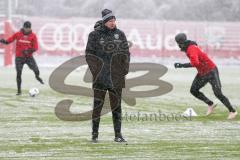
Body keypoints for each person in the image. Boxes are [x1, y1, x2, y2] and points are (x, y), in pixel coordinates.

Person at [85, 9, 130, 143]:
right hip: (100, 78)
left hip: (116, 77)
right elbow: (89, 55)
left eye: (114, 20)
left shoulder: (120, 34)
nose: (113, 23)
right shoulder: (94, 35)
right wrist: (97, 71)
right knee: (97, 106)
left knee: (117, 107)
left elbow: (126, 53)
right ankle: (94, 135)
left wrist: (124, 69)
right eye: (110, 21)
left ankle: (118, 135)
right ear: (105, 21)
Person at [174, 33, 237, 120]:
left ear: (180, 43)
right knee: (194, 90)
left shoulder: (190, 48)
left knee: (218, 93)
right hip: (203, 73)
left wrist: (181, 65)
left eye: (178, 43)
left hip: (211, 71)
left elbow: (195, 63)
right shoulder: (189, 46)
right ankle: (210, 104)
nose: (178, 45)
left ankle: (232, 111)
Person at [0, 21, 44, 95]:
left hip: (29, 57)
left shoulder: (33, 36)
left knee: (36, 70)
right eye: (26, 28)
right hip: (19, 58)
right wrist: (4, 41)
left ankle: (37, 76)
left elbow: (36, 48)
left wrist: (28, 51)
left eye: (29, 28)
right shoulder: (18, 34)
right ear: (23, 27)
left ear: (30, 28)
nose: (27, 29)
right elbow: (9, 40)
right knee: (19, 74)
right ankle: (19, 91)